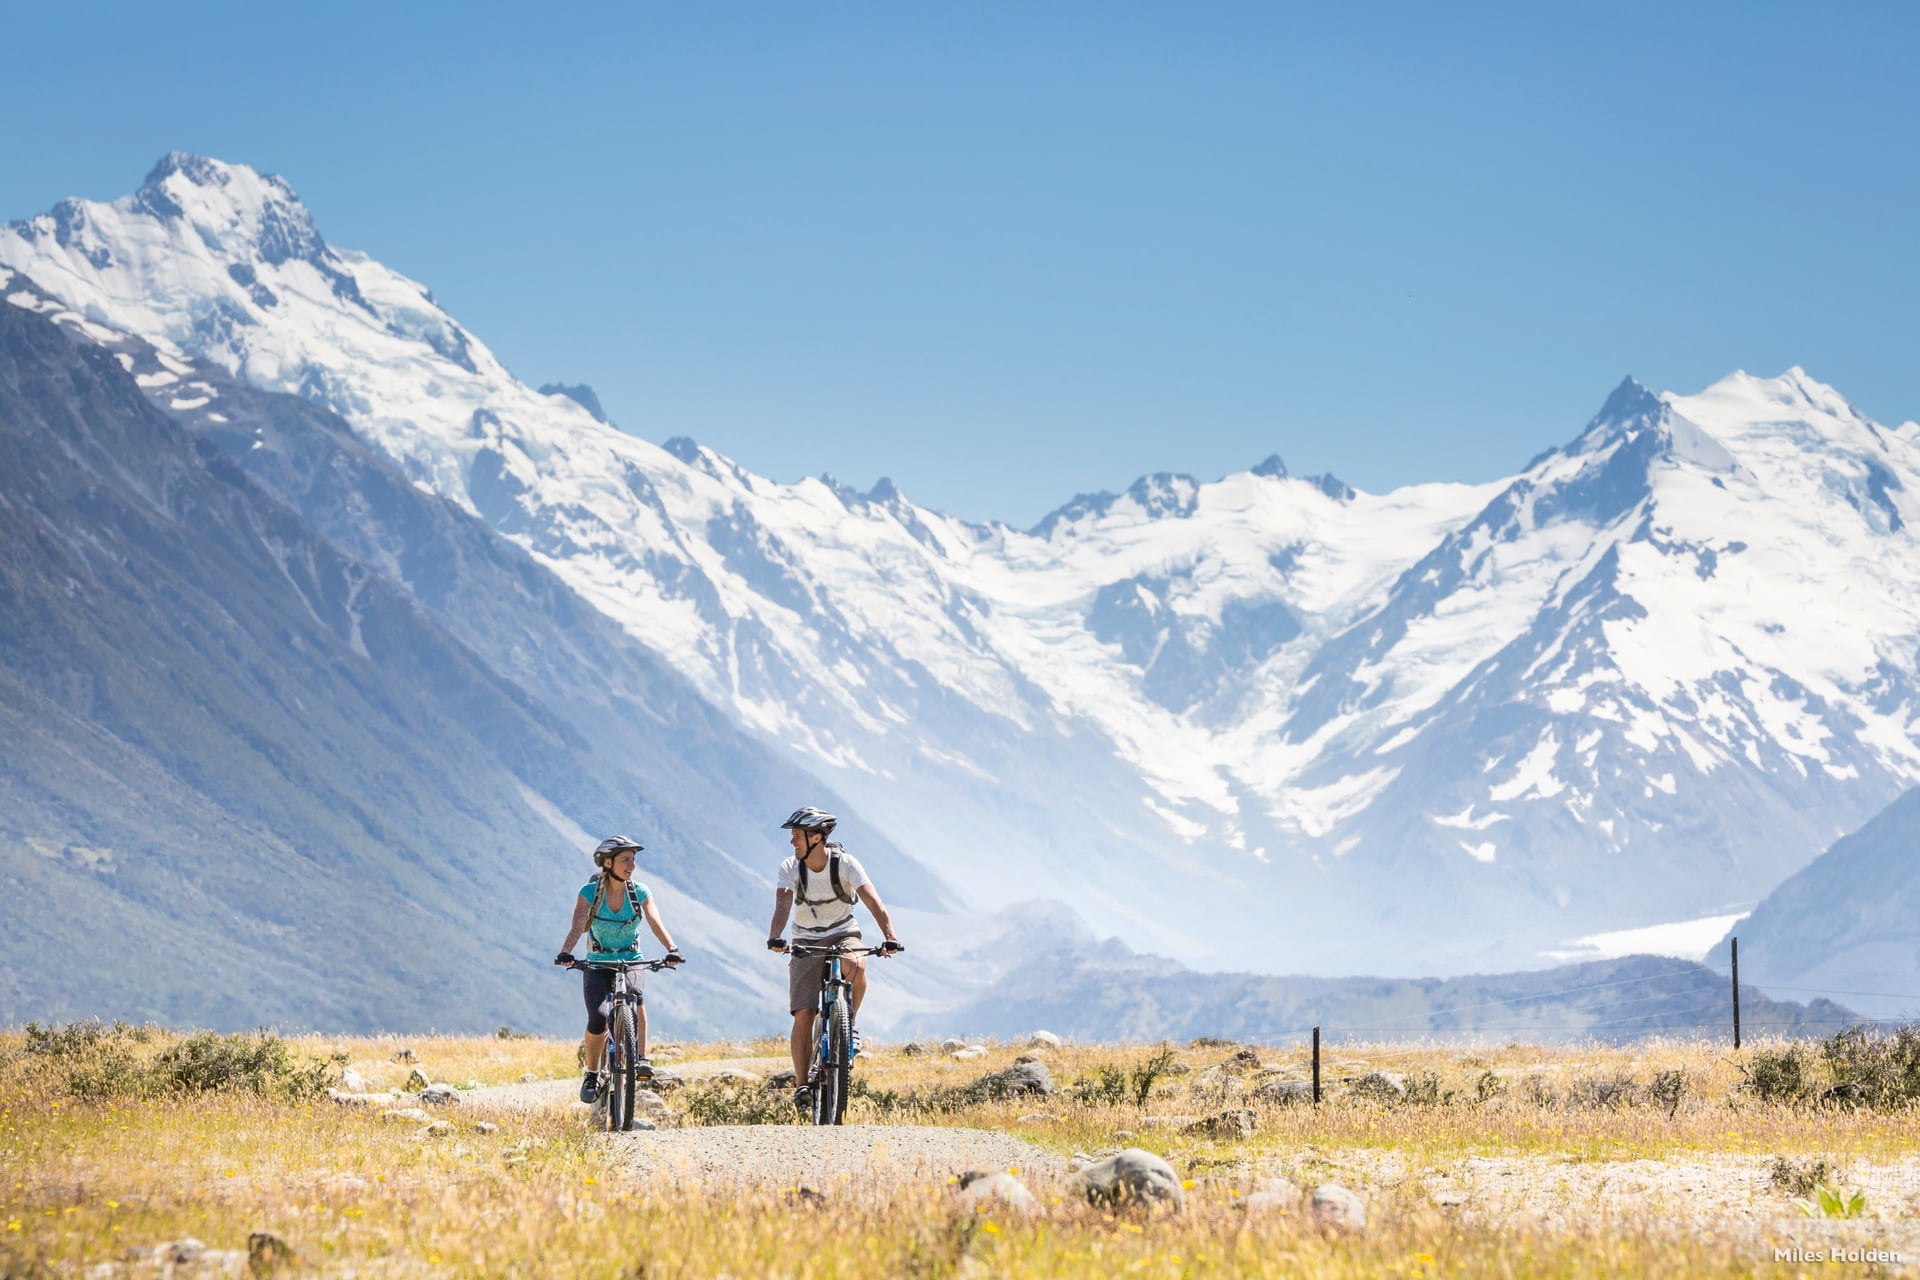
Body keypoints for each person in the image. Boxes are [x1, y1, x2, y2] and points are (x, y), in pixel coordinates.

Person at [766, 805, 903, 1111]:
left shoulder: (846, 865)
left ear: (816, 837)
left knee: (855, 963)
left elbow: (873, 901)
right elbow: (782, 904)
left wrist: (890, 936)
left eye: (796, 835)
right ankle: (802, 1084)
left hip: (843, 932)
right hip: (805, 937)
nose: (792, 842)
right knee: (804, 1013)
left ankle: (847, 1023)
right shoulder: (790, 867)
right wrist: (776, 935)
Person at [554, 835, 683, 1103]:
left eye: (633, 860)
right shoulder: (589, 893)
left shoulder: (640, 892)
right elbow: (578, 925)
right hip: (598, 962)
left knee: (634, 998)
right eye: (626, 860)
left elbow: (655, 921)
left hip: (631, 959)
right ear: (608, 863)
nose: (632, 866)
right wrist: (566, 951)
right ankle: (592, 1072)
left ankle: (640, 1058)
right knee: (598, 1017)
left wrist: (672, 949)